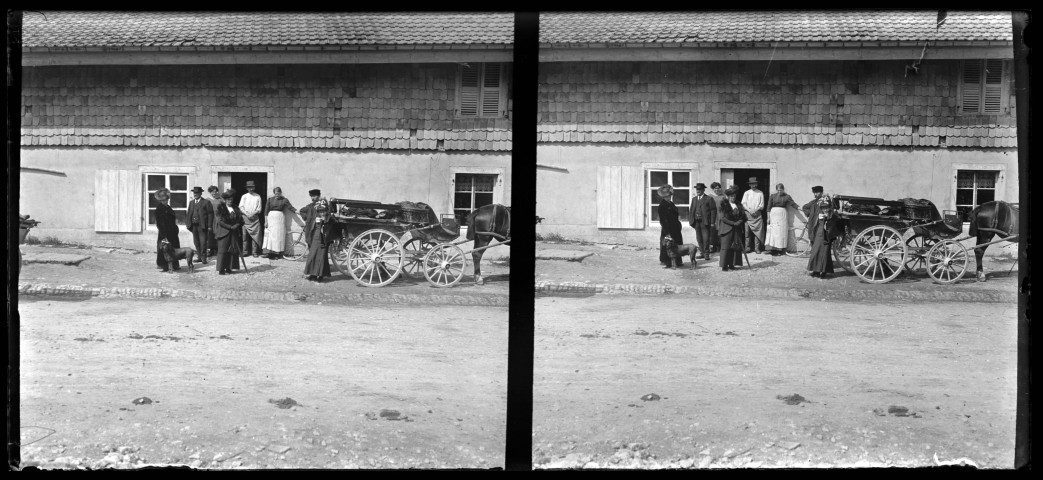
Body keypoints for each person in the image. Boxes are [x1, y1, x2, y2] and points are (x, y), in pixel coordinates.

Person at [261, 187, 305, 259]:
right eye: (275, 194)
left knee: (278, 236)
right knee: (269, 235)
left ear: (281, 193)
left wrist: (299, 213)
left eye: (278, 193)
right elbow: (266, 211)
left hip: (279, 219)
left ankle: (277, 253)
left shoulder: (284, 200)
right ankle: (267, 253)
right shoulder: (270, 200)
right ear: (274, 193)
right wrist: (266, 221)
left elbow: (291, 208)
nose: (277, 195)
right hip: (271, 218)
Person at [807, 196, 840, 278]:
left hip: (826, 237)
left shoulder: (832, 216)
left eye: (826, 208)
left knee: (824, 254)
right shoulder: (819, 215)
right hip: (818, 236)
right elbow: (815, 226)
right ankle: (816, 271)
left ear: (829, 208)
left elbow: (834, 226)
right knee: (815, 252)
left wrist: (828, 218)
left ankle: (824, 272)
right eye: (823, 208)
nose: (825, 209)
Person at [764, 183, 801, 256]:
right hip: (774, 215)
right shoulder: (772, 196)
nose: (779, 192)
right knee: (774, 232)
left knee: (781, 232)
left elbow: (793, 204)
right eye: (778, 190)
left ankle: (780, 250)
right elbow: (768, 208)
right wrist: (768, 218)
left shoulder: (787, 196)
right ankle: (772, 249)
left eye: (780, 190)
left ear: (783, 190)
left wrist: (800, 208)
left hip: (782, 215)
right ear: (776, 190)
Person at [304, 204, 338, 282]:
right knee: (313, 256)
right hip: (315, 239)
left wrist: (325, 222)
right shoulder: (316, 218)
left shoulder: (330, 219)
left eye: (323, 211)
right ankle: (312, 274)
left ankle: (321, 275)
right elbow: (312, 228)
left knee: (322, 258)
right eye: (320, 211)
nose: (322, 213)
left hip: (324, 240)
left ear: (326, 211)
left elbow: (331, 230)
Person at [214, 190, 244, 275]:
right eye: (228, 200)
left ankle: (229, 267)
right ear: (225, 200)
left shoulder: (236, 208)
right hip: (224, 232)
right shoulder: (220, 208)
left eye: (231, 199)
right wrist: (230, 227)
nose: (230, 201)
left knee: (232, 250)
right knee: (222, 250)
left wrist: (237, 225)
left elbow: (240, 220)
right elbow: (220, 221)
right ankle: (221, 269)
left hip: (233, 233)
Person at [656, 184, 685, 268]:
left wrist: (678, 225)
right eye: (667, 196)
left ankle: (677, 261)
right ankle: (667, 262)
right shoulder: (662, 206)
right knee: (668, 245)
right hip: (667, 229)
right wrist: (667, 232)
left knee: (677, 245)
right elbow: (663, 220)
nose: (669, 197)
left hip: (675, 228)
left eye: (669, 196)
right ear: (663, 197)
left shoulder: (671, 203)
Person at [153, 188, 182, 272]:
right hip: (165, 233)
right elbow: (160, 224)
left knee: (174, 249)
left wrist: (176, 228)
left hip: (172, 232)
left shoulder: (168, 207)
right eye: (163, 200)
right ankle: (164, 266)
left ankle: (175, 265)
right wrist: (164, 236)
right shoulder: (159, 209)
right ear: (160, 200)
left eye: (166, 199)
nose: (166, 201)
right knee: (165, 249)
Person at [718, 186, 746, 271]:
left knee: (735, 247)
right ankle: (724, 266)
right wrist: (733, 223)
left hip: (736, 229)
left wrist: (740, 221)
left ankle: (732, 264)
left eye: (734, 196)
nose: (732, 197)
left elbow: (743, 216)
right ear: (728, 196)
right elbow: (723, 218)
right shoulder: (724, 204)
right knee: (726, 247)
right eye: (731, 196)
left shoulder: (738, 204)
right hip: (727, 229)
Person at [688, 183, 717, 260]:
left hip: (705, 222)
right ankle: (702, 253)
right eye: (697, 189)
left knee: (706, 239)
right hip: (696, 222)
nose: (698, 191)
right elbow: (691, 211)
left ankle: (707, 254)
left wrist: (712, 222)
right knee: (699, 239)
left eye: (700, 189)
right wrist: (691, 221)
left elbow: (713, 211)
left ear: (703, 190)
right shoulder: (694, 199)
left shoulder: (709, 199)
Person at [186, 186, 214, 264]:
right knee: (196, 242)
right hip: (193, 226)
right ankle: (199, 257)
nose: (195, 194)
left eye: (197, 193)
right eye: (194, 193)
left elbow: (210, 215)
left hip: (202, 226)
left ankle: (203, 257)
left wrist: (209, 226)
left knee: (203, 242)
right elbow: (188, 214)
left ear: (201, 193)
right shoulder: (191, 203)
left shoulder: (206, 202)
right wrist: (188, 224)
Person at [238, 180, 264, 257]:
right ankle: (245, 252)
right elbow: (240, 207)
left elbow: (259, 209)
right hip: (245, 218)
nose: (251, 189)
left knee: (255, 236)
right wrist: (247, 214)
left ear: (254, 187)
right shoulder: (244, 196)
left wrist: (252, 214)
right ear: (247, 188)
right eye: (249, 188)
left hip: (255, 218)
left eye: (252, 187)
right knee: (245, 236)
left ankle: (254, 252)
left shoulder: (258, 196)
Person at [741, 177, 765, 254]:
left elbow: (762, 205)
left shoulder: (760, 193)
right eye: (752, 184)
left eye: (755, 184)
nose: (753, 185)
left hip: (757, 214)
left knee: (757, 232)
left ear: (757, 184)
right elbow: (743, 204)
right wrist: (750, 210)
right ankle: (747, 248)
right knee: (747, 232)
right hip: (748, 214)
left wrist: (756, 210)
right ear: (749, 185)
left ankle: (757, 248)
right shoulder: (746, 193)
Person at [206, 186, 222, 257]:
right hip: (210, 219)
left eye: (215, 191)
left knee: (218, 233)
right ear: (210, 192)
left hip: (218, 218)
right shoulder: (207, 200)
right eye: (212, 192)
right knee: (210, 234)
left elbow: (223, 209)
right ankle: (210, 250)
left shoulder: (220, 200)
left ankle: (217, 249)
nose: (214, 193)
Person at [708, 182, 723, 253]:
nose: (717, 190)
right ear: (713, 189)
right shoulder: (710, 196)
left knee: (720, 230)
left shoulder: (723, 196)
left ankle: (719, 246)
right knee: (713, 231)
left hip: (721, 215)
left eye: (718, 188)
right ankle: (713, 246)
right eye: (715, 188)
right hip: (713, 215)